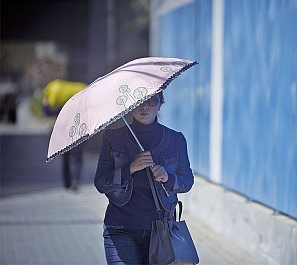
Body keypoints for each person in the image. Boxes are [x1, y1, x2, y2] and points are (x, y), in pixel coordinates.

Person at [94, 91, 195, 264]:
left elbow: (187, 181)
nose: (144, 106)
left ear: (160, 104)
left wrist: (168, 178)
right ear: (130, 106)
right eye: (138, 101)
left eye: (152, 100)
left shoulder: (175, 140)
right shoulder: (113, 138)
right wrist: (130, 168)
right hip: (120, 229)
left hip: (160, 231)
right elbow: (101, 183)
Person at [42, 79, 86, 190]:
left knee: (65, 159)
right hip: (77, 134)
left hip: (63, 135)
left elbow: (47, 112)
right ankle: (75, 180)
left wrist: (45, 102)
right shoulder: (78, 107)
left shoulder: (59, 107)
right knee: (77, 158)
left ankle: (67, 183)